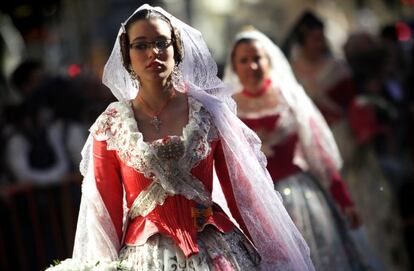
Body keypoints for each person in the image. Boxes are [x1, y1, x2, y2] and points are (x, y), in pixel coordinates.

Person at [47, 4, 314, 271]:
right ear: (127, 57)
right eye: (141, 45)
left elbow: (245, 197)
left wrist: (278, 258)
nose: (153, 52)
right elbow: (103, 215)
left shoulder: (209, 114)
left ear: (176, 50)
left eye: (162, 43)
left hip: (217, 249)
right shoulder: (111, 125)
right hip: (145, 257)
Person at [223, 28, 371, 271]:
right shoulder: (228, 108)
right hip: (256, 206)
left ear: (269, 61)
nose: (252, 66)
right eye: (244, 60)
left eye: (257, 58)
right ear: (235, 67)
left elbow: (319, 152)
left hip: (302, 199)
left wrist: (343, 198)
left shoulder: (289, 98)